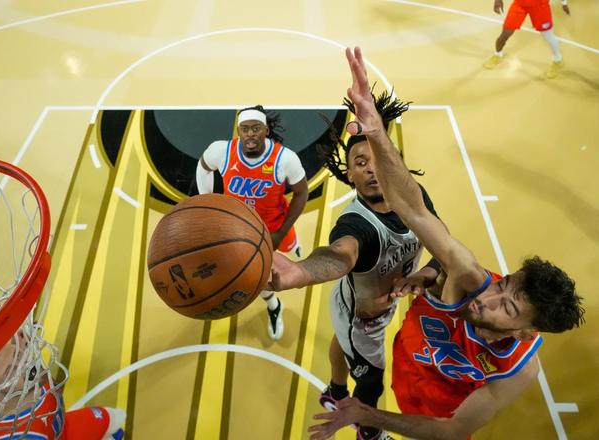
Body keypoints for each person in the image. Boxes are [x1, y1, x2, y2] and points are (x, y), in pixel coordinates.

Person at [307, 46, 584, 440]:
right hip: (403, 366)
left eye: (506, 307)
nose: (488, 297)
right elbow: (414, 210)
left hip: (436, 416)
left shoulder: (518, 369)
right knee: (352, 337)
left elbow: (453, 429)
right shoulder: (468, 277)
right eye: (503, 284)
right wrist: (376, 131)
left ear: (524, 332)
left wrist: (372, 417)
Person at [270, 91, 442, 440]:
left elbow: (444, 246)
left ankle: (335, 390)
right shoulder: (356, 225)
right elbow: (338, 256)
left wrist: (428, 272)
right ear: (349, 175)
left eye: (377, 159)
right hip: (362, 321)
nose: (371, 168)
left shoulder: (416, 196)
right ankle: (369, 431)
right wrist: (302, 272)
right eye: (360, 163)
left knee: (342, 341)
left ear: (395, 163)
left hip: (365, 302)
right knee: (371, 382)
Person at [196, 105, 309, 340]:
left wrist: (281, 232)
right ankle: (274, 306)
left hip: (274, 225)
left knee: (291, 246)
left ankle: (293, 243)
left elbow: (302, 193)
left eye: (256, 128)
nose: (250, 134)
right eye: (245, 129)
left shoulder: (285, 159)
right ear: (238, 130)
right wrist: (207, 203)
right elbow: (203, 166)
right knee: (257, 278)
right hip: (240, 231)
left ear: (266, 130)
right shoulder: (221, 151)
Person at [0, 312, 125, 439]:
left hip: (61, 428)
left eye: (18, 355)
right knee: (111, 421)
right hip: (57, 428)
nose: (24, 366)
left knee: (112, 419)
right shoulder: (38, 382)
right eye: (10, 370)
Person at [483, 0, 570, 79]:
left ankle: (558, 60)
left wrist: (564, 3)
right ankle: (497, 55)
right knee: (505, 34)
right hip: (520, 4)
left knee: (549, 37)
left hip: (540, 5)